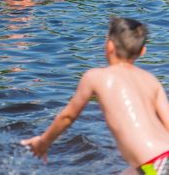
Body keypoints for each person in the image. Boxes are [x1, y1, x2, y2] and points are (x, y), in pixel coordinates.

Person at [21, 17, 169, 174]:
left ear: (109, 46)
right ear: (142, 51)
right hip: (159, 161)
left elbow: (67, 117)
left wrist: (43, 142)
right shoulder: (152, 80)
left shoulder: (96, 76)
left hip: (156, 165)